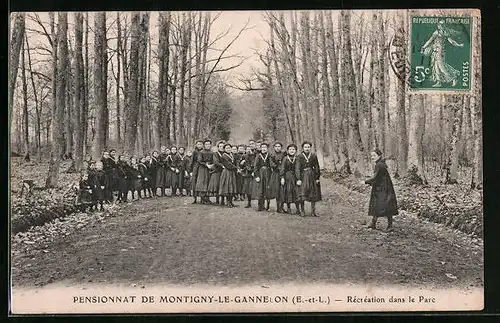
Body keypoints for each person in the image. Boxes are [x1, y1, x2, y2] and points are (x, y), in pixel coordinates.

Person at [364, 148, 398, 231]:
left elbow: (375, 177)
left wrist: (365, 181)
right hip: (382, 187)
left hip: (383, 188)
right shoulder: (380, 163)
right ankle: (373, 223)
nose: (372, 157)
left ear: (379, 156)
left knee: (385, 205)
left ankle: (389, 226)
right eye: (371, 156)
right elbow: (377, 177)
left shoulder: (379, 165)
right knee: (378, 204)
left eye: (374, 155)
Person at [295, 142, 322, 217]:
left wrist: (317, 177)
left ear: (310, 148)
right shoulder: (299, 156)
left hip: (311, 176)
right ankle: (302, 211)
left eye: (308, 147)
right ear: (303, 148)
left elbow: (316, 166)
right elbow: (297, 168)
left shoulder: (313, 155)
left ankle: (313, 211)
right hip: (303, 176)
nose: (307, 148)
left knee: (313, 192)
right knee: (302, 193)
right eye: (305, 147)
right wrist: (298, 179)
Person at [280, 144, 300, 215]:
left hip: (294, 177)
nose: (292, 151)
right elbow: (282, 169)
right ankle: (288, 208)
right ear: (288, 150)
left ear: (296, 151)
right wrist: (282, 177)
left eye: (293, 149)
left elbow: (298, 169)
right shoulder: (285, 158)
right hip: (287, 177)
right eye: (290, 149)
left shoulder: (297, 158)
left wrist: (298, 179)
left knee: (296, 192)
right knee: (288, 192)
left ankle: (298, 209)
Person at [251, 142, 272, 211]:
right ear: (260, 148)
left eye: (265, 147)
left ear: (267, 148)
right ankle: (260, 206)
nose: (264, 149)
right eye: (262, 147)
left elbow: (272, 164)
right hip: (261, 174)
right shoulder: (258, 156)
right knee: (260, 189)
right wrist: (257, 176)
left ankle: (268, 206)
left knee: (268, 189)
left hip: (268, 174)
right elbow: (255, 167)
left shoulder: (269, 155)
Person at [195, 139, 214, 204]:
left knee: (208, 182)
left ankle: (207, 198)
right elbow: (199, 161)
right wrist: (206, 165)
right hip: (202, 169)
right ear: (204, 145)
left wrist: (212, 165)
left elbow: (214, 160)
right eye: (206, 144)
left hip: (210, 169)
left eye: (209, 144)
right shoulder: (201, 152)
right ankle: (202, 199)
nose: (207, 145)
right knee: (202, 183)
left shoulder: (212, 152)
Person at [269, 142, 285, 212]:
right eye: (276, 146)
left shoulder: (284, 154)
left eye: (279, 146)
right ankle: (278, 207)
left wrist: (283, 169)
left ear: (281, 147)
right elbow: (272, 164)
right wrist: (280, 168)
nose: (277, 148)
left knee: (283, 190)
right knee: (277, 190)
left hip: (283, 174)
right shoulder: (272, 155)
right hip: (276, 174)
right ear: (274, 147)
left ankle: (282, 206)